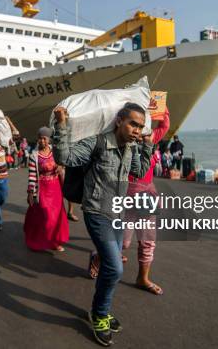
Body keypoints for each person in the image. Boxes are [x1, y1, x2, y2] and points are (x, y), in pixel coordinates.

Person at [53, 102, 152, 347]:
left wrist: (145, 146)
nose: (136, 130)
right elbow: (64, 157)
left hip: (118, 214)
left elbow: (139, 172)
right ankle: (99, 313)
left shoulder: (131, 147)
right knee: (115, 268)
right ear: (119, 121)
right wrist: (61, 124)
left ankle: (102, 310)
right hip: (97, 213)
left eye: (140, 126)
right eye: (133, 124)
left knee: (111, 267)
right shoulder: (98, 142)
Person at [122, 107, 170, 295]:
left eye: (143, 128)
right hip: (125, 198)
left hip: (147, 198)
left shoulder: (151, 140)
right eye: (137, 127)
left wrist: (160, 105)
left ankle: (142, 278)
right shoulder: (124, 142)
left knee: (147, 241)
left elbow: (165, 124)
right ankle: (98, 256)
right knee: (122, 243)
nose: (140, 132)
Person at [24, 127, 69, 252]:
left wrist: (61, 167)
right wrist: (30, 193)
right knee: (47, 217)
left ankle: (55, 242)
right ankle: (39, 240)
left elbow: (64, 162)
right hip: (42, 189)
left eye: (44, 138)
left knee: (57, 217)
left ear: (49, 140)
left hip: (56, 188)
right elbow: (32, 175)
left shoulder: (56, 152)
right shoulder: (34, 155)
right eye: (40, 138)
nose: (41, 141)